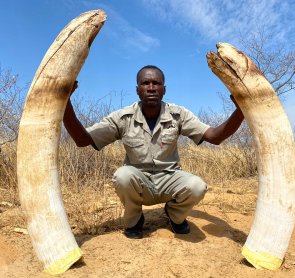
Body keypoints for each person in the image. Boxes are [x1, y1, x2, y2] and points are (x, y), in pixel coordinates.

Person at [63, 65, 244, 239]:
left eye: (156, 83)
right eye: (145, 83)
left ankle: (174, 215)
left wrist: (241, 110)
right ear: (137, 89)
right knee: (123, 175)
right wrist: (65, 102)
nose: (151, 88)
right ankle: (134, 220)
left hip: (169, 178)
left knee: (197, 186)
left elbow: (214, 137)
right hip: (139, 181)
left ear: (164, 89)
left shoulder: (178, 114)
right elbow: (82, 140)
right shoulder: (123, 117)